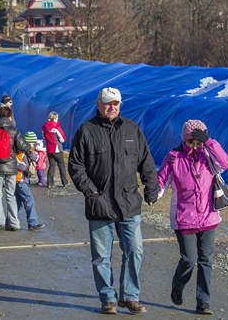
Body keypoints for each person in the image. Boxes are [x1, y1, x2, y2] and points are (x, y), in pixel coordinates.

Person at [68, 87, 159, 315]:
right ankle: (108, 298)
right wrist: (91, 192)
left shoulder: (132, 129)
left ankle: (130, 296)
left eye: (116, 103)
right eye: (108, 103)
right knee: (101, 256)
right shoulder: (87, 131)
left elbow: (146, 161)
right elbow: (76, 166)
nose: (112, 107)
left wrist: (151, 187)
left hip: (129, 203)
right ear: (99, 104)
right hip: (100, 204)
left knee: (135, 250)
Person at [156, 119, 228, 315]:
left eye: (199, 142)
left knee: (206, 260)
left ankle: (203, 301)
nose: (195, 146)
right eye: (192, 142)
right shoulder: (174, 156)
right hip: (184, 218)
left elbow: (226, 163)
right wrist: (152, 195)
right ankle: (178, 285)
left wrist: (209, 142)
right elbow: (161, 180)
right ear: (184, 140)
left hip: (208, 217)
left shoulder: (208, 155)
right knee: (189, 259)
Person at [0, 106, 29, 230]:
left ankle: (0, 222)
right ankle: (14, 223)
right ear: (10, 116)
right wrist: (28, 146)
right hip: (10, 166)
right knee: (10, 194)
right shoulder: (14, 130)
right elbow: (22, 146)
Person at [15, 150, 45, 230]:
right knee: (29, 200)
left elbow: (36, 158)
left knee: (17, 202)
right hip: (19, 180)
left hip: (20, 180)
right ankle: (32, 222)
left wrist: (30, 153)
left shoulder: (24, 153)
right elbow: (21, 166)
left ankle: (11, 221)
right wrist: (26, 170)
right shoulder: (18, 154)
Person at [42, 111, 68, 188]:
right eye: (57, 118)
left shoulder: (44, 127)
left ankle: (49, 183)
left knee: (51, 166)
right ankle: (64, 182)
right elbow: (63, 139)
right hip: (57, 148)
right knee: (61, 165)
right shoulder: (56, 128)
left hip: (49, 149)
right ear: (55, 118)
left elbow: (44, 137)